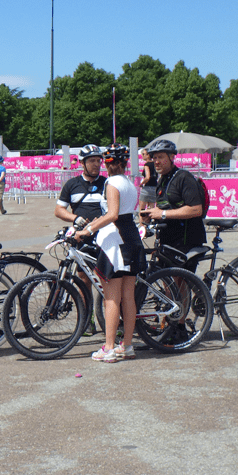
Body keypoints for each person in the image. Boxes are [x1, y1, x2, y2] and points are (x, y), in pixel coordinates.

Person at [75, 144, 146, 363]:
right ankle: (126, 345)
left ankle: (108, 347)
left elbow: (112, 214)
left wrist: (87, 230)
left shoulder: (112, 182)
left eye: (105, 162)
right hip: (131, 237)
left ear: (109, 163)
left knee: (111, 298)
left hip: (116, 241)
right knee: (128, 297)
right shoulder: (129, 183)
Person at [56, 144, 108, 335]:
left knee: (107, 279)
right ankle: (88, 319)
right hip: (81, 237)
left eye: (98, 160)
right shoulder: (72, 184)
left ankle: (111, 321)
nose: (96, 164)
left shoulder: (106, 183)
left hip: (104, 236)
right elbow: (59, 210)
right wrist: (74, 218)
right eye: (92, 161)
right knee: (84, 278)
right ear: (82, 163)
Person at [140, 139, 207, 272]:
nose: (156, 161)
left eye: (160, 157)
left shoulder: (184, 177)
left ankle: (200, 293)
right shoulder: (162, 180)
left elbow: (196, 209)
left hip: (185, 239)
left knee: (179, 285)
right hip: (167, 238)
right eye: (154, 158)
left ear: (171, 157)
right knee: (167, 282)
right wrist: (151, 214)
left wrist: (163, 214)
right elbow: (166, 206)